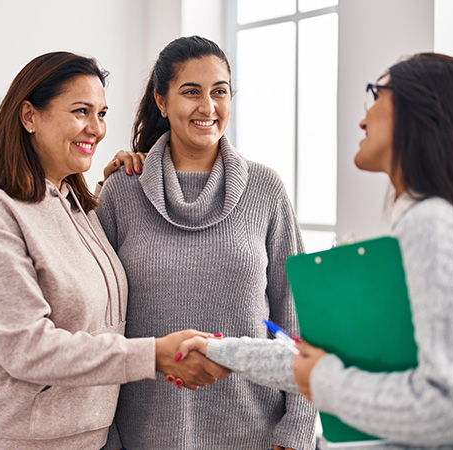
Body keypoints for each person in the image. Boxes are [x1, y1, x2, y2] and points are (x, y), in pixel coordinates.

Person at [176, 53, 453, 449]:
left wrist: (326, 382)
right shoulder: (434, 220)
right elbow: (321, 363)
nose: (362, 119)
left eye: (376, 95)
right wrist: (220, 351)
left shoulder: (431, 225)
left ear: (422, 111)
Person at [0, 51, 224, 450]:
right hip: (4, 440)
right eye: (81, 111)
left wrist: (120, 184)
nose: (97, 129)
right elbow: (27, 349)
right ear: (29, 116)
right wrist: (153, 355)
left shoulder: (70, 198)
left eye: (101, 114)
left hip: (79, 438)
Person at [96, 36, 317, 450]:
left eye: (220, 92)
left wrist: (298, 427)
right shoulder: (121, 193)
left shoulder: (265, 189)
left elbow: (297, 313)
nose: (208, 107)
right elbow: (97, 320)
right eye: (191, 92)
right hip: (144, 432)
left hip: (258, 434)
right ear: (162, 101)